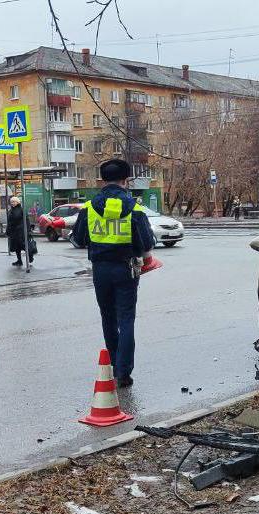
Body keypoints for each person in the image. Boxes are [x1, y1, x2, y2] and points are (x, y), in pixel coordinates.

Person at [72, 159, 156, 387]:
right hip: (126, 268)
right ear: (125, 181)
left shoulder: (90, 207)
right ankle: (124, 372)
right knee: (126, 318)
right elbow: (147, 242)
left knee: (108, 317)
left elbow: (78, 239)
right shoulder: (134, 208)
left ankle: (113, 365)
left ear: (103, 180)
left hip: (100, 270)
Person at [6, 196, 33, 266]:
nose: (12, 203)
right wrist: (8, 231)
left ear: (17, 202)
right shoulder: (11, 210)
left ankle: (30, 255)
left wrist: (28, 230)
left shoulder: (21, 210)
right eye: (11, 202)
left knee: (24, 245)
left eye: (14, 202)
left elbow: (27, 220)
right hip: (13, 232)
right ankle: (19, 260)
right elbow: (9, 222)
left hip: (21, 232)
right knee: (16, 247)